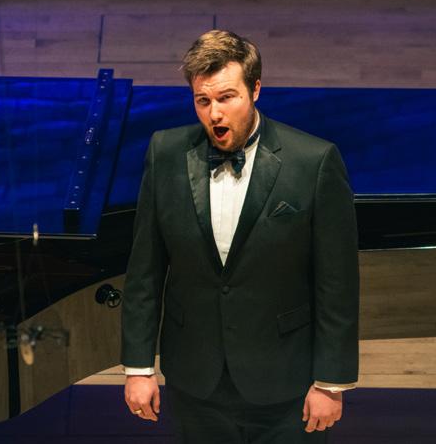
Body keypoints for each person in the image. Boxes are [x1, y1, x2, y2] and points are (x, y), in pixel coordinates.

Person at [121, 29, 359, 443]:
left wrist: (330, 382)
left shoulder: (314, 161)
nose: (214, 114)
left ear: (255, 89)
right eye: (203, 101)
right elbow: (145, 270)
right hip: (195, 379)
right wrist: (139, 368)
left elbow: (336, 282)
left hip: (284, 379)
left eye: (226, 97)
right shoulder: (165, 153)